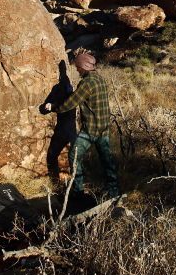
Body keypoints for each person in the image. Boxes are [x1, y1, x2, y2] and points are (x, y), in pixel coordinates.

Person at [46, 52, 120, 198]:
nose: (77, 70)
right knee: (107, 161)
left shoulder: (86, 83)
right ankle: (114, 191)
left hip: (91, 130)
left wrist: (53, 107)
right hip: (104, 128)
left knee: (74, 155)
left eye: (78, 67)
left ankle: (78, 191)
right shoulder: (100, 79)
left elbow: (70, 103)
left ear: (83, 66)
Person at [39, 60, 77, 185]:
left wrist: (51, 106)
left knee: (55, 155)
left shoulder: (66, 88)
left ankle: (58, 184)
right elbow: (44, 108)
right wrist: (46, 106)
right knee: (68, 157)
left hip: (65, 129)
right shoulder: (65, 87)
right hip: (68, 129)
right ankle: (61, 184)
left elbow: (65, 105)